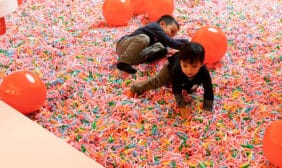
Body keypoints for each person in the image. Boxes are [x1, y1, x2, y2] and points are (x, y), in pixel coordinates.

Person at [126, 42, 214, 117]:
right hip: (170, 67)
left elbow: (208, 88)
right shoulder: (177, 68)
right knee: (158, 81)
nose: (189, 70)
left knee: (190, 89)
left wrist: (207, 107)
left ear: (201, 64)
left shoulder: (203, 72)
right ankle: (135, 88)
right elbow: (176, 89)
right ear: (180, 62)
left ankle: (180, 81)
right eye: (185, 66)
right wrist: (182, 106)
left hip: (186, 79)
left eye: (194, 66)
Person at [116, 15, 188, 74]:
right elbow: (171, 42)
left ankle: (150, 57)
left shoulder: (160, 36)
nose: (171, 36)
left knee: (160, 47)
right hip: (124, 46)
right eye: (171, 31)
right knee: (144, 38)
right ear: (162, 24)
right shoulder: (155, 26)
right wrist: (187, 47)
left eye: (173, 35)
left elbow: (171, 41)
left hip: (134, 55)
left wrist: (185, 41)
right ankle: (123, 63)